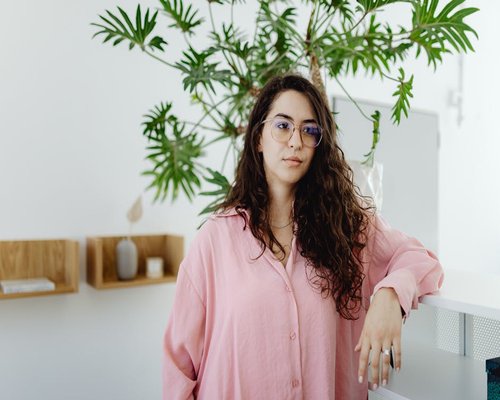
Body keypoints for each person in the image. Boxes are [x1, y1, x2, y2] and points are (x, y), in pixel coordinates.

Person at [162, 74, 443, 399]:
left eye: (309, 130)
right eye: (283, 126)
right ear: (258, 138)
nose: (295, 141)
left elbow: (421, 260)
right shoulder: (215, 239)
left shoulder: (349, 227)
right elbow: (178, 367)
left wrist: (389, 297)